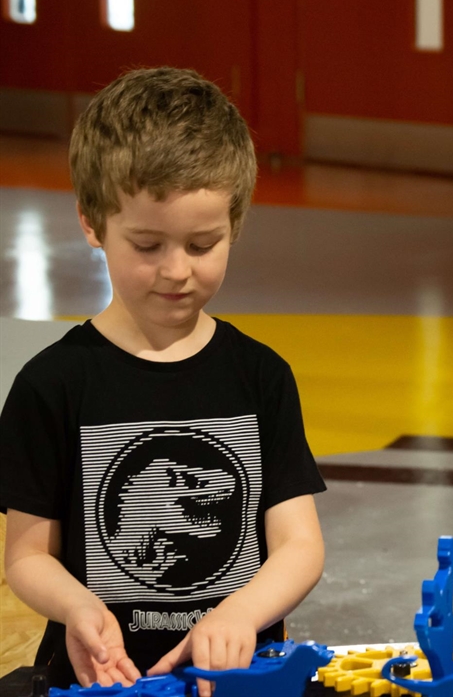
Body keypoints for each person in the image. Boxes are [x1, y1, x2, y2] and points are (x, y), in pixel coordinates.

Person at [0, 67, 326, 694]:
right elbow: (27, 556)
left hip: (235, 682)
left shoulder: (261, 376)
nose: (176, 271)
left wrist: (240, 614)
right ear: (92, 223)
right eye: (147, 245)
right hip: (100, 681)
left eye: (203, 244)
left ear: (237, 222)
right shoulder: (54, 383)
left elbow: (299, 545)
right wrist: (78, 607)